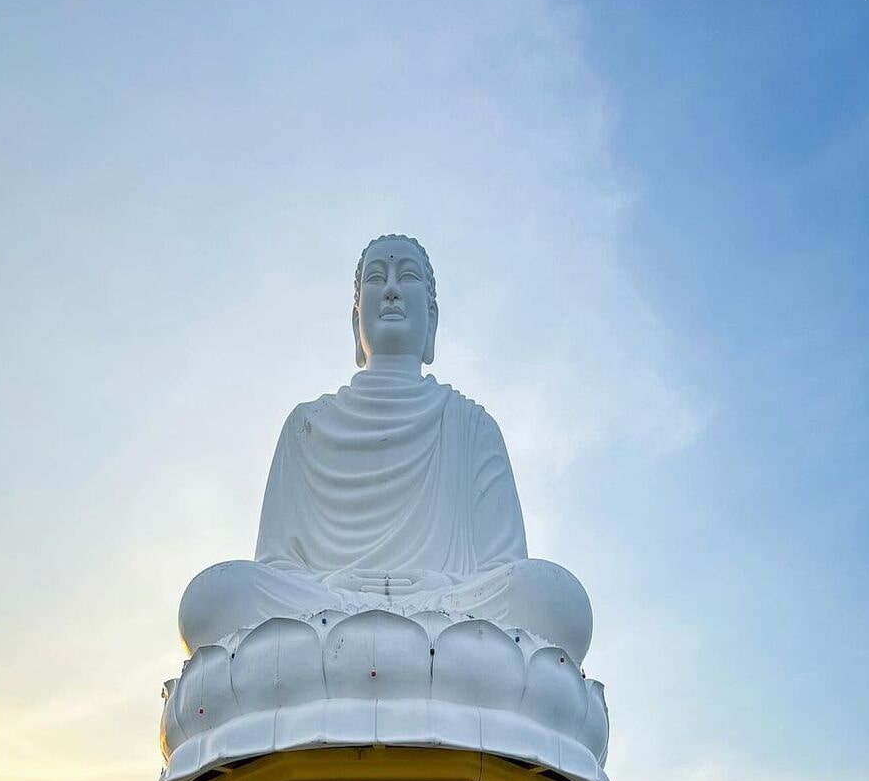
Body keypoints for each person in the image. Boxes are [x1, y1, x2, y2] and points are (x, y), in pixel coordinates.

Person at [178, 235, 594, 667]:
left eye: (407, 277)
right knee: (215, 597)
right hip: (322, 607)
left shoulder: (471, 424)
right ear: (355, 320)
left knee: (551, 597)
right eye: (377, 279)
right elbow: (278, 565)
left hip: (449, 609)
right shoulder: (307, 423)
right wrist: (338, 585)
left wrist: (429, 587)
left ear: (431, 319)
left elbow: (500, 569)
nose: (392, 289)